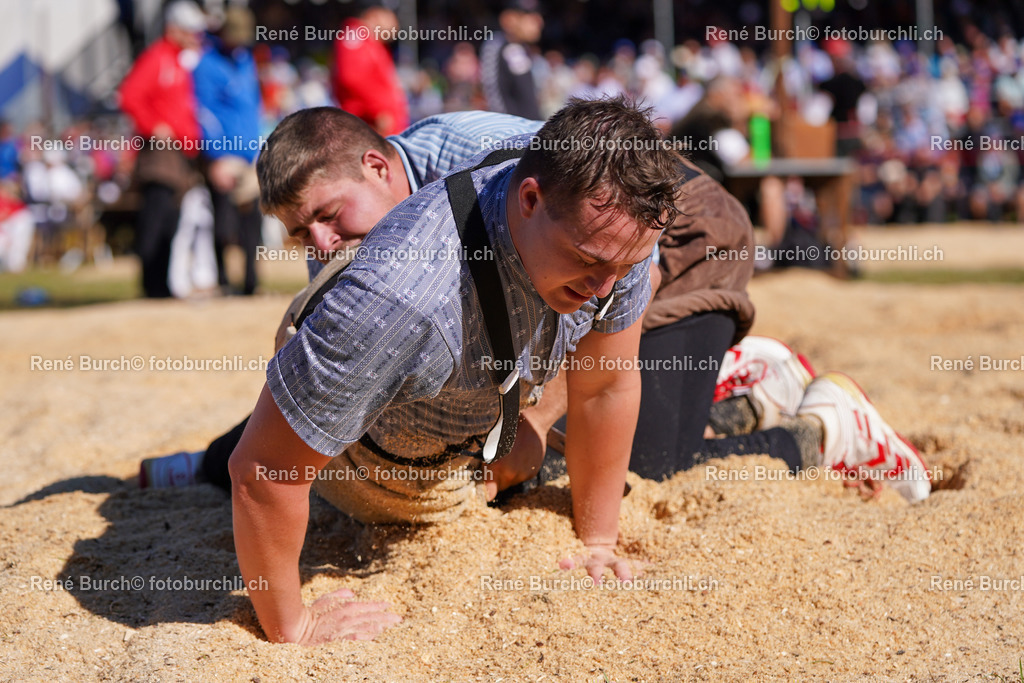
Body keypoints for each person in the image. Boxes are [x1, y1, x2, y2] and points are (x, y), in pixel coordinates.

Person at [142, 105, 930, 506]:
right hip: (605, 260)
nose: (319, 242)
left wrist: (540, 418)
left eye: (327, 215)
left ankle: (821, 433)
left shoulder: (481, 160)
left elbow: (618, 253)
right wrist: (220, 465)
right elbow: (337, 375)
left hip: (676, 235)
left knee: (632, 467)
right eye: (297, 231)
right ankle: (743, 383)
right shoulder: (393, 249)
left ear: (383, 168)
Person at [119, 0, 205, 298]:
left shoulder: (183, 60)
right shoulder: (157, 57)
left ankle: (162, 285)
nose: (196, 35)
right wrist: (153, 125)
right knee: (155, 218)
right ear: (174, 29)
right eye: (190, 29)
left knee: (171, 220)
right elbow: (129, 95)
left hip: (180, 152)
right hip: (160, 152)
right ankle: (150, 286)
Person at [193, 6, 263, 295]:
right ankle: (222, 280)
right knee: (223, 225)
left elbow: (254, 108)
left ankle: (250, 284)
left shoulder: (246, 60)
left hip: (250, 153)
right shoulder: (206, 65)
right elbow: (203, 113)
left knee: (252, 224)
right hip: (224, 155)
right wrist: (215, 156)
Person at [331, 6, 408, 136]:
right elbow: (351, 77)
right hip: (368, 126)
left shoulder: (370, 41)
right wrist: (377, 111)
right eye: (392, 19)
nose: (395, 26)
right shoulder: (356, 35)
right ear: (375, 15)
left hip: (377, 127)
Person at [480, 0, 544, 120]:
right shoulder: (497, 46)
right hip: (512, 132)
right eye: (529, 16)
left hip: (532, 130)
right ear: (508, 19)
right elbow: (495, 99)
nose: (539, 21)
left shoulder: (522, 49)